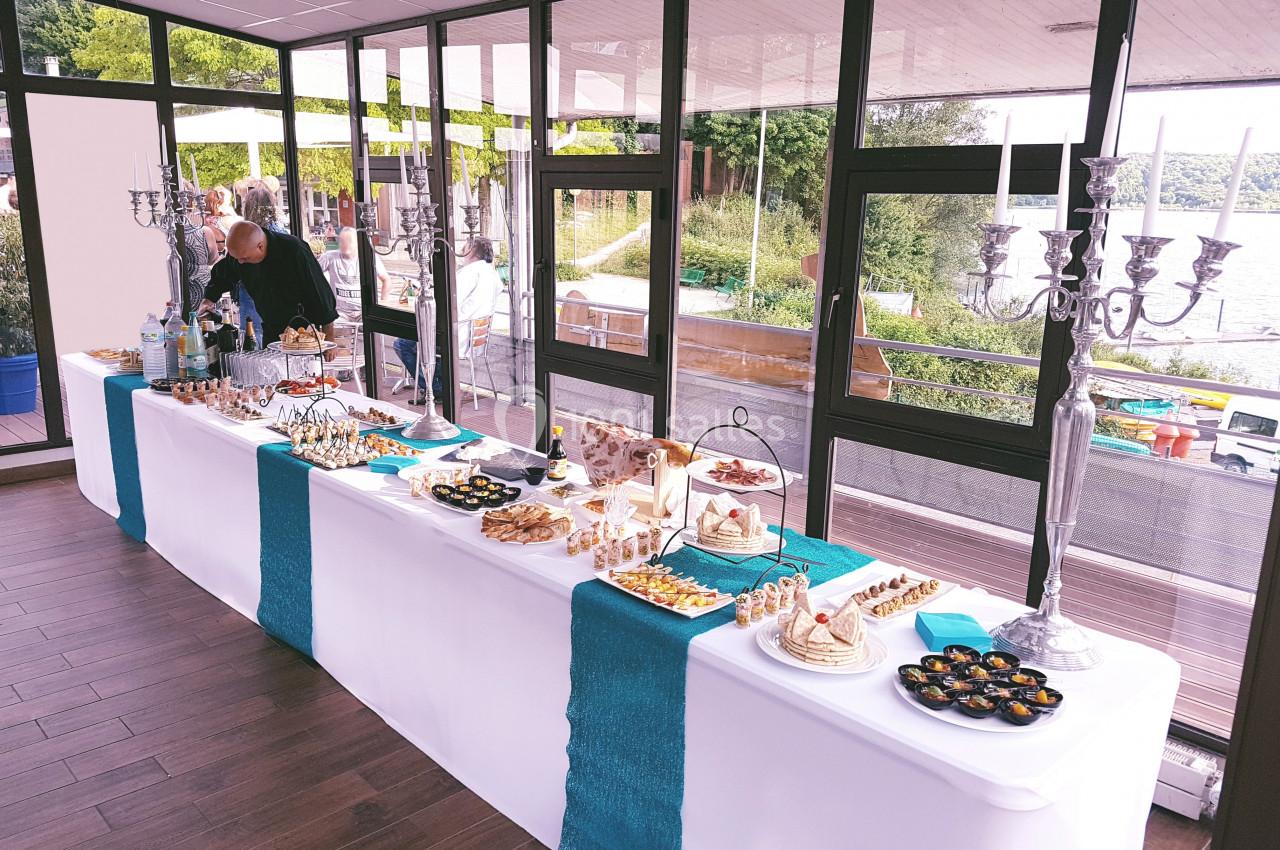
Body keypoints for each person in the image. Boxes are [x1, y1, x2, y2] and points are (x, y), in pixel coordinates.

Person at [393, 237, 501, 403]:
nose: (460, 251)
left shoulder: (468, 273)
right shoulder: (492, 273)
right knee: (423, 341)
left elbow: (447, 301)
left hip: (455, 334)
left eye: (464, 248)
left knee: (402, 344)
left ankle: (434, 389)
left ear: (471, 251)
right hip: (476, 338)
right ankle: (438, 385)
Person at [201, 221, 337, 350]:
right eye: (236, 258)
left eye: (244, 258)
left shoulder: (295, 250)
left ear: (260, 246)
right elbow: (223, 274)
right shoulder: (241, 253)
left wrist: (329, 340)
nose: (240, 262)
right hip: (270, 325)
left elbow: (319, 293)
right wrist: (209, 299)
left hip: (303, 329)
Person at [317, 227, 390, 322]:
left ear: (357, 242)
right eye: (342, 241)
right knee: (335, 326)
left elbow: (386, 280)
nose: (345, 244)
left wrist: (382, 304)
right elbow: (312, 273)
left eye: (349, 241)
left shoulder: (369, 257)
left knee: (374, 326)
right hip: (340, 312)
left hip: (363, 311)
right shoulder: (330, 257)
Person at [179, 182, 220, 311]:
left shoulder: (167, 233)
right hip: (203, 294)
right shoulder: (204, 232)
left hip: (196, 295)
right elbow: (213, 260)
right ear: (191, 203)